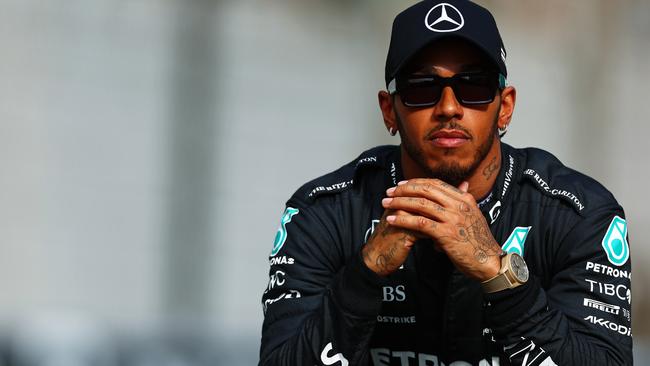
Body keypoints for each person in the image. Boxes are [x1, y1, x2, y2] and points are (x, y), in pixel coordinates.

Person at [259, 1, 633, 365]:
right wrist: (364, 274)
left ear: (505, 106)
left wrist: (497, 270)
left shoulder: (577, 215)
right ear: (389, 110)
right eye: (422, 87)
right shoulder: (325, 212)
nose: (449, 107)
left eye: (474, 85)